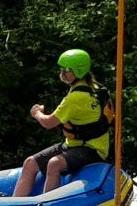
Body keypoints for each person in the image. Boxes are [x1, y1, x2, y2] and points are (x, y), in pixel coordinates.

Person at [12, 48, 113, 197]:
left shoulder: (76, 98)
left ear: (78, 71)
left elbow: (48, 123)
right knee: (30, 163)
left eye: (67, 69)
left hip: (93, 149)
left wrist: (36, 113)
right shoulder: (94, 87)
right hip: (74, 145)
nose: (62, 73)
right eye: (62, 69)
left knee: (54, 164)